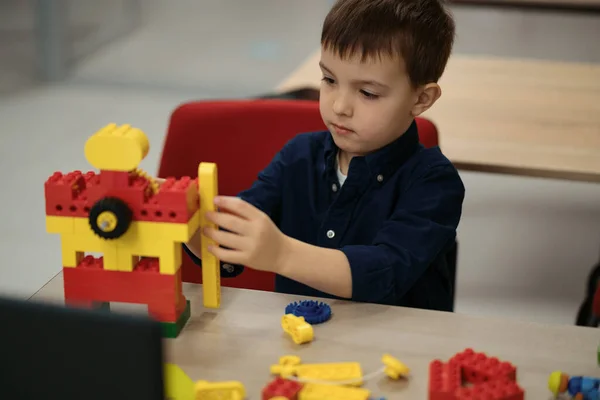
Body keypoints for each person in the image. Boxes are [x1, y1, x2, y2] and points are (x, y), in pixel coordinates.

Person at [183, 0, 465, 311]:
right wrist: (190, 224)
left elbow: (386, 274)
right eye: (329, 80)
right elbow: (228, 243)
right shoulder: (298, 155)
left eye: (368, 93)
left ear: (421, 99)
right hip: (301, 342)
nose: (339, 106)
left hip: (397, 349)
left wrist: (281, 254)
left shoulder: (434, 183)